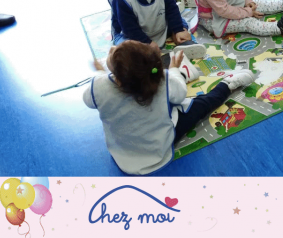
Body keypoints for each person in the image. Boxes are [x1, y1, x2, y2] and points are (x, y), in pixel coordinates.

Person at [84, 41, 255, 175]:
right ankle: (227, 84)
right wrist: (173, 70)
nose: (111, 48)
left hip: (124, 153)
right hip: (160, 146)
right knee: (201, 103)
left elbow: (89, 101)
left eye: (112, 52)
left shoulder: (98, 86)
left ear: (118, 77)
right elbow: (180, 94)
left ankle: (184, 77)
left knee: (170, 96)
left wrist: (100, 74)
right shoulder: (163, 80)